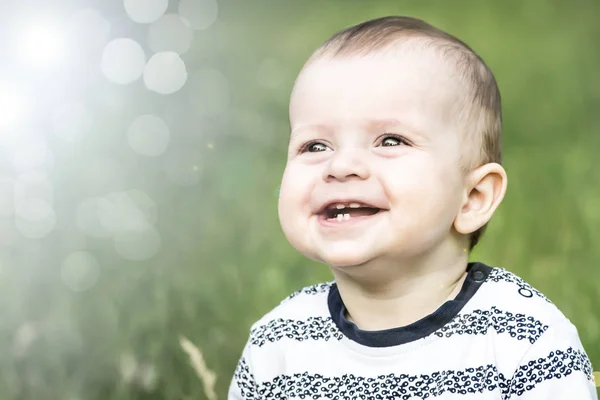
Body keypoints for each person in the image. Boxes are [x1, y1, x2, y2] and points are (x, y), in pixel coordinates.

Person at [228, 16, 597, 399]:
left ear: (473, 198)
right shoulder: (278, 345)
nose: (340, 166)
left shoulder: (523, 340)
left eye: (390, 140)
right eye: (315, 146)